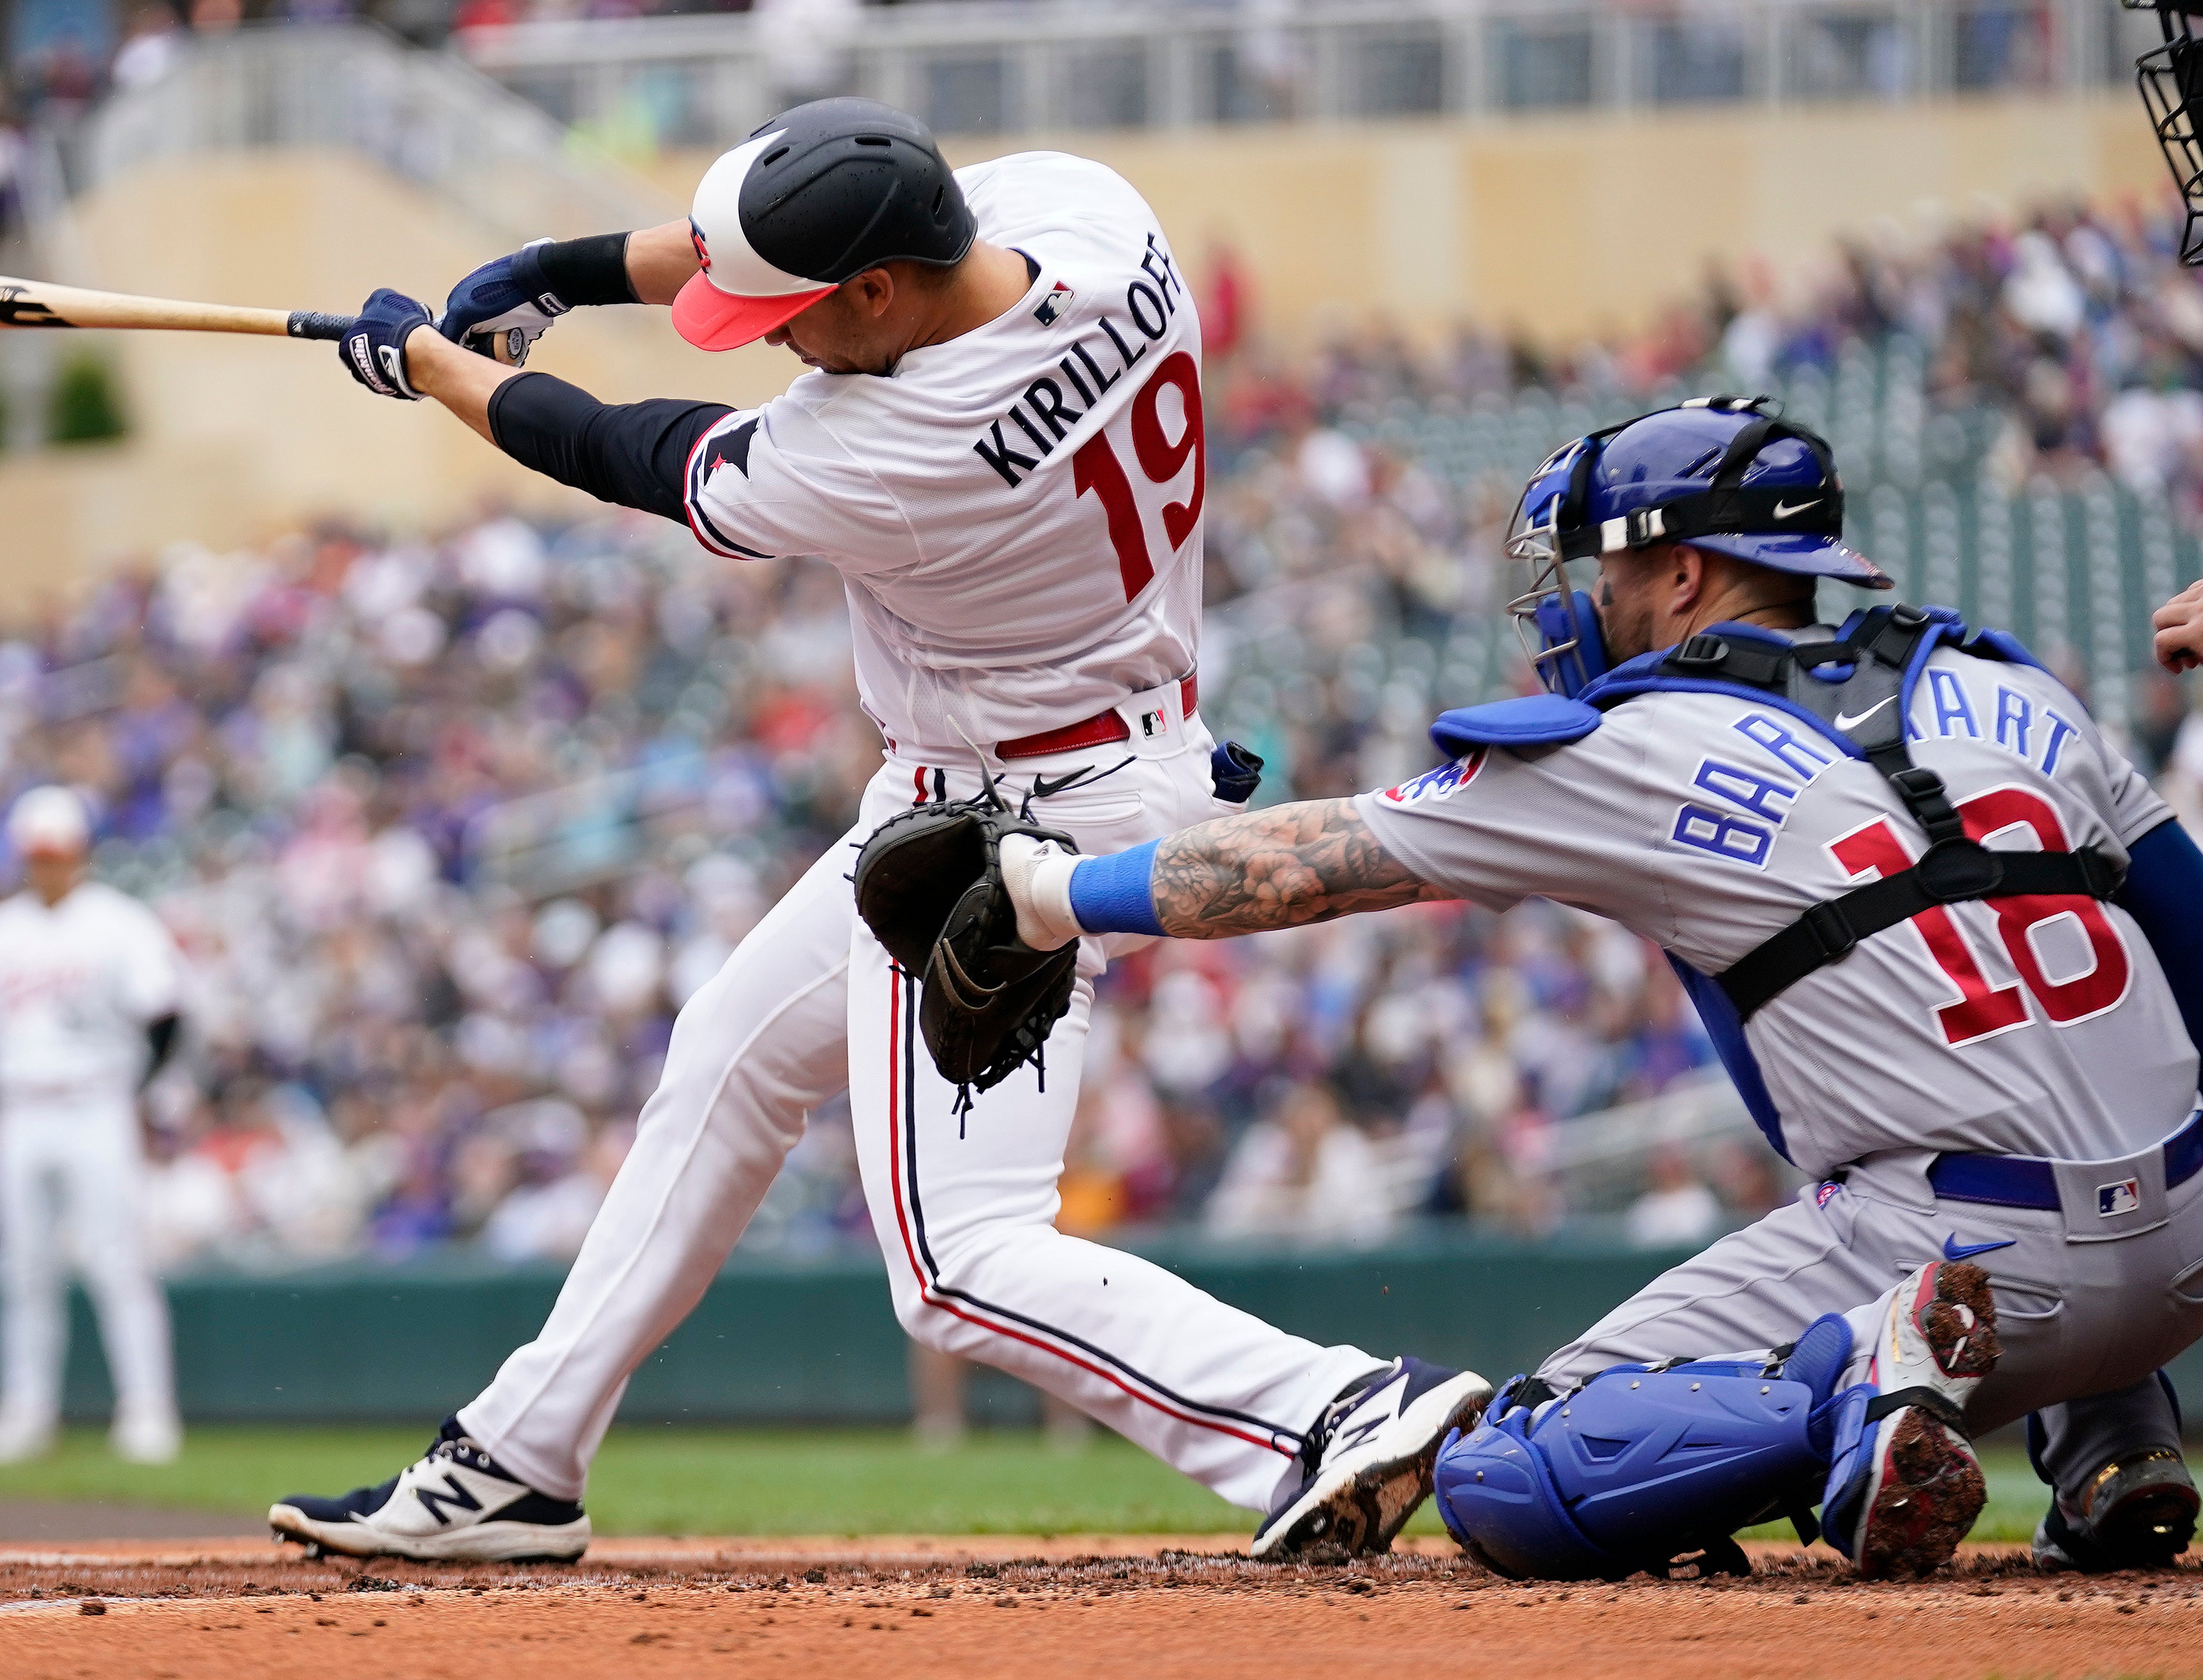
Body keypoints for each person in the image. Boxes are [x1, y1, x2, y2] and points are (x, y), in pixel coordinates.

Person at [273, 97, 1490, 1566]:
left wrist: (432, 365)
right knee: (725, 1053)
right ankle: (517, 1459)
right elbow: (777, 243)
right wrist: (562, 267)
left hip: (1003, 823)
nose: (771, 339)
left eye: (792, 317)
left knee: (956, 1259)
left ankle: (1331, 1404)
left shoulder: (901, 443)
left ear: (876, 292)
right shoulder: (1086, 210)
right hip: (1090, 743)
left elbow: (614, 444)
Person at [996, 401, 2203, 1578]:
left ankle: (1856, 1379)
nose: (1585, 605)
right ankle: (2111, 1448)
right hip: (2200, 1236)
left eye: (1605, 573)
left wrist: (1047, 891)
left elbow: (1299, 867)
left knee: (1511, 1462)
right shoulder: (2010, 683)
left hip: (1959, 1246)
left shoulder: (1637, 743)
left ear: (1686, 574)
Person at [0, 786, 186, 1466]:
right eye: (38, 856)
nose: (48, 867)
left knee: (119, 1261)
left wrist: (135, 1089)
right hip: (21, 1107)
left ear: (82, 854)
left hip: (96, 1100)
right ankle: (26, 1410)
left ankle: (147, 1410)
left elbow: (165, 1016)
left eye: (59, 854)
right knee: (23, 1268)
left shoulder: (119, 921)